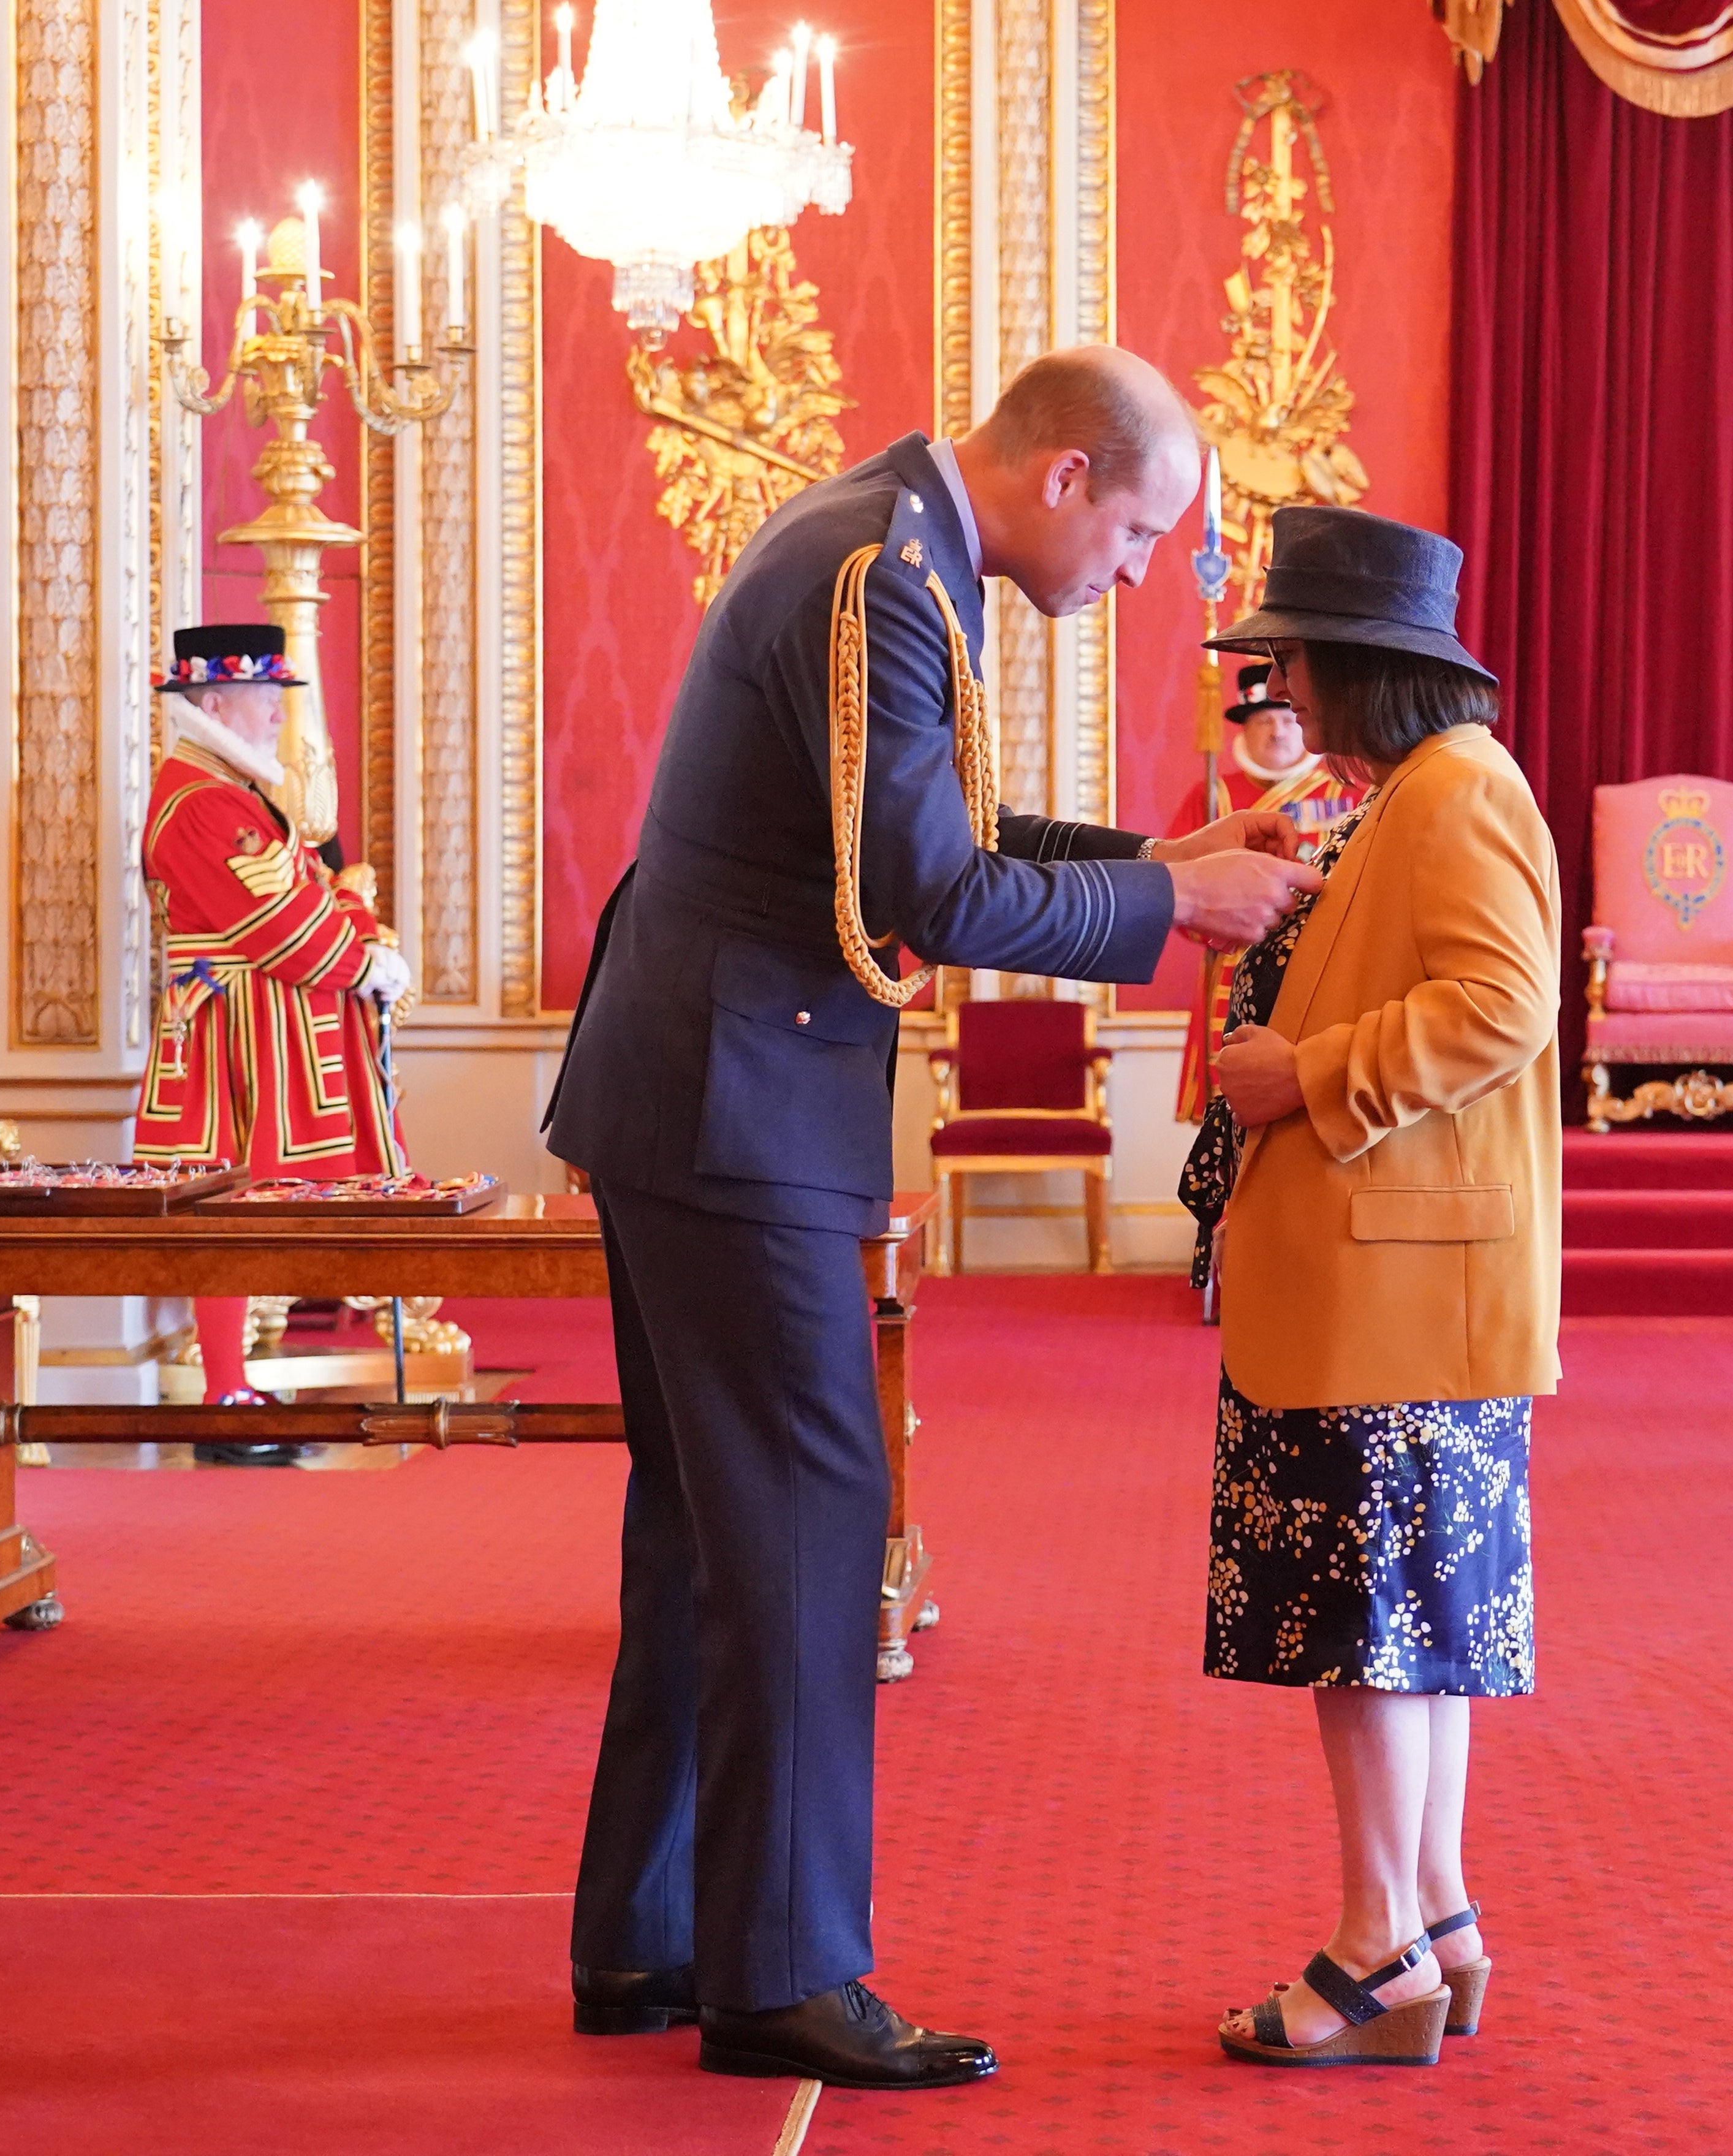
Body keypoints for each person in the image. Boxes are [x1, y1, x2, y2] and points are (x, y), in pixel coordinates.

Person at [539, 346, 1321, 2090]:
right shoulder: (878, 575)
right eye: (1133, 535)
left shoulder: (884, 541)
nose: (1131, 574)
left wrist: (1167, 857)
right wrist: (1170, 897)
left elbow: (924, 830)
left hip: (702, 1083)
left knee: (706, 1525)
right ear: (1063, 476)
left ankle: (648, 1935)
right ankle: (784, 1972)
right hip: (737, 1102)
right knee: (812, 1517)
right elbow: (929, 886)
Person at [1196, 506, 1561, 2068]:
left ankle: (1374, 1948)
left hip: (1394, 1295)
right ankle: (1433, 1915)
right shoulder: (1408, 792)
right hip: (1386, 1288)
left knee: (1367, 1638)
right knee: (1409, 1627)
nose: (1272, 697)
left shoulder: (1456, 793)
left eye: (1280, 666)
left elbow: (1502, 1004)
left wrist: (1302, 1074)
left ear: (1353, 666)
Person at [133, 623, 413, 1463]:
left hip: (268, 1031)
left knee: (249, 1214)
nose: (274, 717)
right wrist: (361, 953)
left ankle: (238, 1383)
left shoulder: (230, 786)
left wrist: (353, 918)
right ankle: (226, 1392)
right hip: (236, 1037)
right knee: (227, 1214)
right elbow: (278, 923)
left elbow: (310, 893)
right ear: (214, 702)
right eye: (265, 700)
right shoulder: (199, 798)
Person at [1173, 663, 1371, 1120]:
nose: (1278, 732)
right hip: (1236, 961)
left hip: (1325, 960)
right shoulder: (1214, 795)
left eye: (1286, 718)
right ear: (1244, 728)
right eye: (1264, 721)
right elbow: (1176, 892)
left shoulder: (1350, 790)